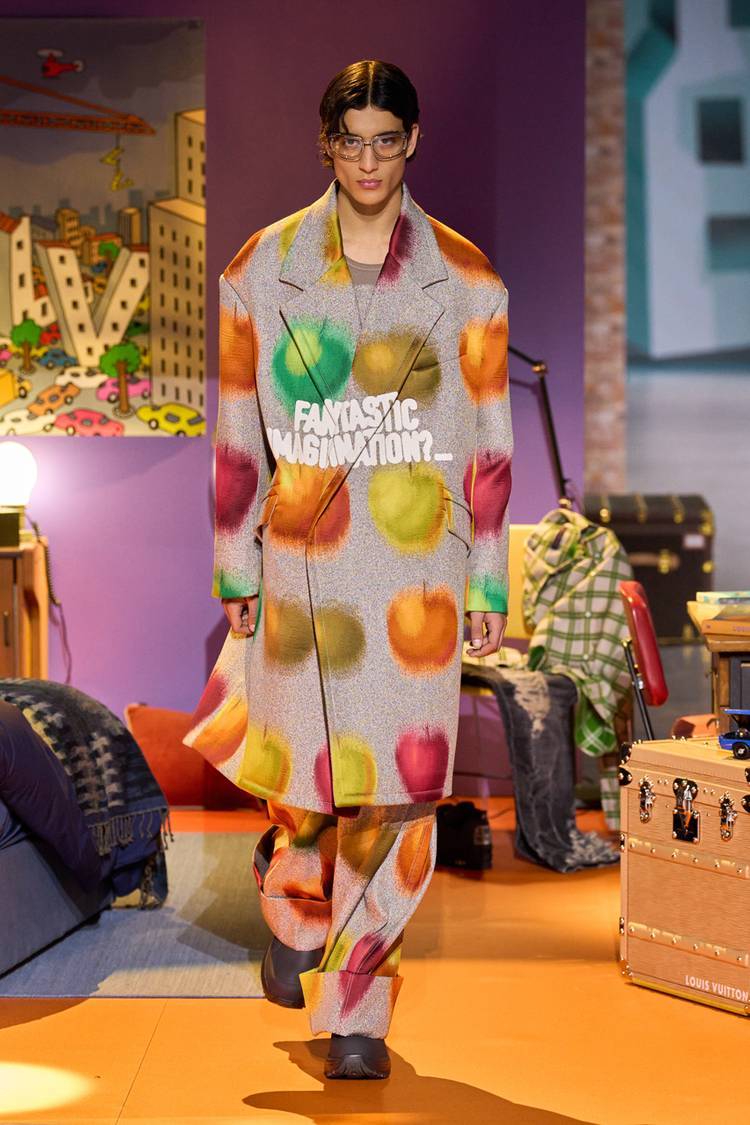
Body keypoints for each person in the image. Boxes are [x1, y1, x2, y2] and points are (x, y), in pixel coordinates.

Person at [193, 58, 513, 1079]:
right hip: (305, 563)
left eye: (386, 141)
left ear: (412, 142)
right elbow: (236, 430)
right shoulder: (261, 268)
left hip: (419, 571)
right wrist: (234, 563)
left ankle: (359, 1012)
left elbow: (491, 444)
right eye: (350, 142)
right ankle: (293, 891)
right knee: (307, 785)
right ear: (325, 146)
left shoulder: (468, 280)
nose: (368, 162)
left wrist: (490, 581)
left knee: (403, 797)